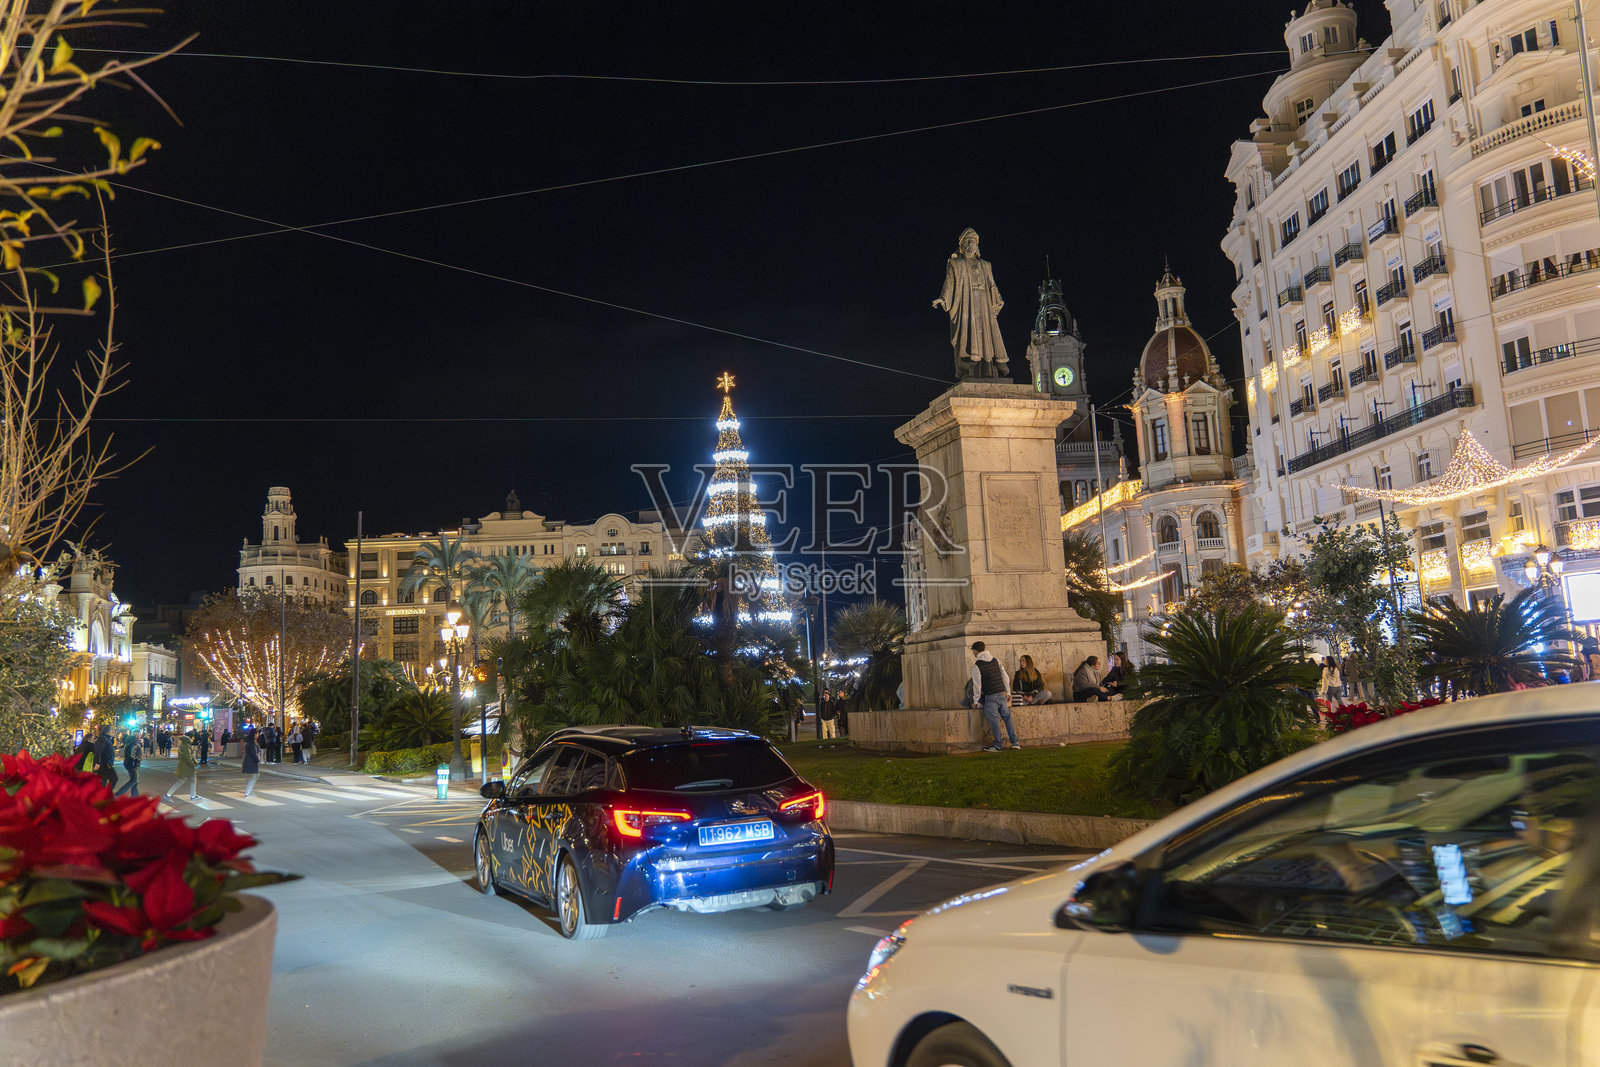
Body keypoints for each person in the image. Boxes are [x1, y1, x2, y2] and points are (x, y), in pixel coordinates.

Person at [969, 641, 1019, 751]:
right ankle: (1015, 743)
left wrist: (976, 701)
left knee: (994, 721)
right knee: (1007, 719)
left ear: (976, 651)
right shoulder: (996, 661)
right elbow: (1005, 677)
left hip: (990, 696)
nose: (973, 653)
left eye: (973, 651)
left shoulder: (977, 666)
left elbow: (977, 685)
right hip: (1002, 694)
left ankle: (997, 745)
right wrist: (1008, 692)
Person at [163, 734, 199, 802]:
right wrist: (193, 764)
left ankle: (193, 795)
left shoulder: (183, 745)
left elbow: (189, 756)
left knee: (190, 780)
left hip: (185, 766)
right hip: (187, 767)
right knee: (185, 781)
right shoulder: (185, 746)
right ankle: (168, 795)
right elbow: (188, 757)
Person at [114, 730, 143, 797]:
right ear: (136, 735)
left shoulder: (130, 741)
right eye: (139, 734)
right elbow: (132, 754)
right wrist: (137, 761)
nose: (140, 735)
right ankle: (118, 794)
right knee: (134, 780)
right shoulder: (134, 743)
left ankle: (135, 796)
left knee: (135, 781)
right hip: (132, 764)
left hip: (129, 763)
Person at [92, 723, 117, 792]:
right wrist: (97, 762)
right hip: (104, 764)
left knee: (106, 780)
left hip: (107, 763)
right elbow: (98, 751)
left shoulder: (107, 739)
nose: (113, 732)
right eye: (112, 730)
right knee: (111, 779)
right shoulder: (103, 739)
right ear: (107, 732)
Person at [240, 732, 261, 797]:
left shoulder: (252, 743)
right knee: (254, 776)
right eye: (256, 733)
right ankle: (247, 793)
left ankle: (249, 791)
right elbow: (253, 753)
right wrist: (257, 760)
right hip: (251, 762)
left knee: (254, 776)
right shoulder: (251, 744)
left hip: (251, 762)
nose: (257, 735)